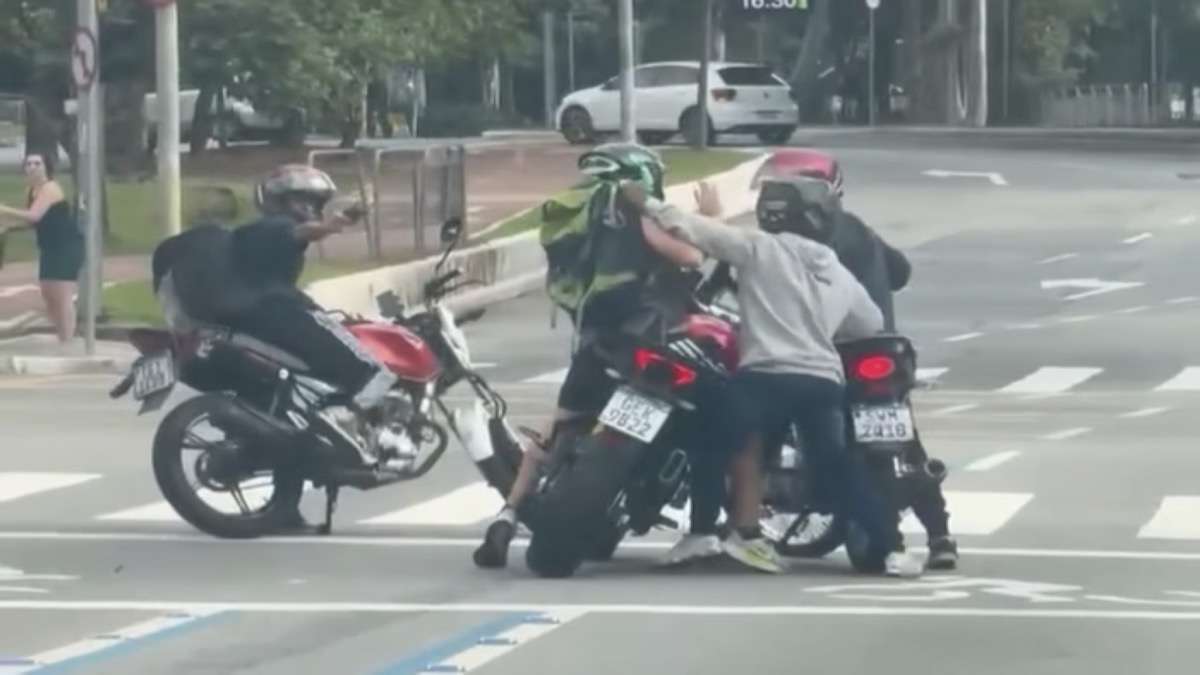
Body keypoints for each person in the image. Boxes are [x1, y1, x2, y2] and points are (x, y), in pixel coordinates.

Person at [624, 177, 923, 578]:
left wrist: (646, 202)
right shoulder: (835, 269)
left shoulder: (758, 249)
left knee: (709, 438)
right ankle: (893, 549)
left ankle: (704, 532)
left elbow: (690, 228)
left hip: (765, 377)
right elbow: (868, 322)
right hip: (822, 383)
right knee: (837, 466)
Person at [472, 143, 710, 569]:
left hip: (596, 341)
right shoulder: (633, 212)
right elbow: (692, 257)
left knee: (561, 423)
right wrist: (707, 220)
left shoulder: (580, 219)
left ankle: (508, 512)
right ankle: (710, 526)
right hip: (647, 339)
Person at [755, 148, 957, 570]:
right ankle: (940, 537)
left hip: (826, 353)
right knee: (908, 441)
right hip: (882, 348)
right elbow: (900, 273)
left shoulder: (797, 245)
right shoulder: (857, 231)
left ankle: (746, 516)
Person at [152, 165, 401, 491]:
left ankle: (285, 507)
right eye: (300, 201)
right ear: (275, 202)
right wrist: (329, 226)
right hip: (273, 316)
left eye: (315, 203)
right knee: (371, 371)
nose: (308, 209)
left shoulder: (245, 246)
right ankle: (367, 440)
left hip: (243, 330)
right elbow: (294, 233)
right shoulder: (272, 228)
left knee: (282, 411)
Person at [0, 154, 84, 346]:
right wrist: (8, 227)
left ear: (46, 167)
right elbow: (31, 221)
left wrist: (3, 210)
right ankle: (63, 335)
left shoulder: (50, 188)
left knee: (61, 294)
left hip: (66, 244)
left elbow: (35, 216)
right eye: (29, 164)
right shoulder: (31, 190)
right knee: (48, 293)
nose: (33, 167)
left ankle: (68, 340)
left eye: (37, 163)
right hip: (49, 247)